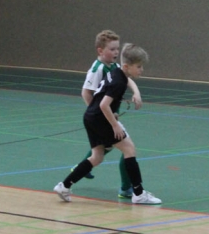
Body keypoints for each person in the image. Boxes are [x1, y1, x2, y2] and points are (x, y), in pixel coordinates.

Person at [55, 44, 161, 205]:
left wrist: (136, 93)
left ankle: (64, 186)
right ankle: (139, 193)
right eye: (139, 66)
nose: (142, 70)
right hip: (101, 119)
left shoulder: (117, 71)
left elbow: (112, 94)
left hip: (90, 117)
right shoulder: (118, 82)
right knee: (129, 149)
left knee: (97, 157)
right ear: (127, 66)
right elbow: (104, 105)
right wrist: (114, 125)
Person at [71, 30, 142, 198]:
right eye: (112, 49)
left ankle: (82, 169)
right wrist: (98, 114)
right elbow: (86, 92)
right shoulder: (97, 69)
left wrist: (136, 92)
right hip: (103, 116)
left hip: (109, 114)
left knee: (103, 150)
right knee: (127, 149)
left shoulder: (115, 66)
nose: (116, 52)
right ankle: (126, 188)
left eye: (117, 49)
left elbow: (127, 79)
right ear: (100, 51)